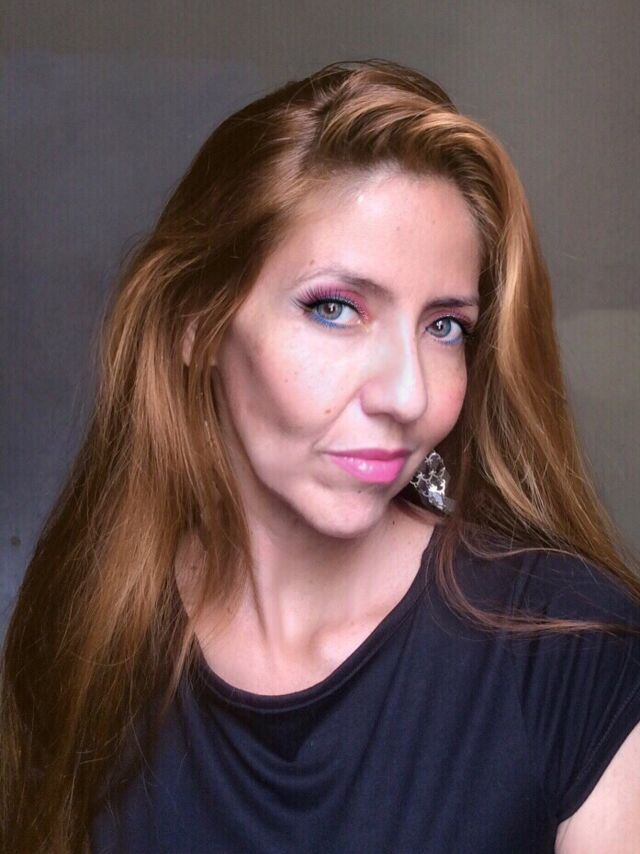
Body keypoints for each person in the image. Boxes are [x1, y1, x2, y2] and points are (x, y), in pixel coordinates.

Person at [2, 59, 640, 854]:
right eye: (335, 308)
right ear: (196, 323)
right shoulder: (87, 636)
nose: (408, 394)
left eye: (445, 326)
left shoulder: (575, 650)